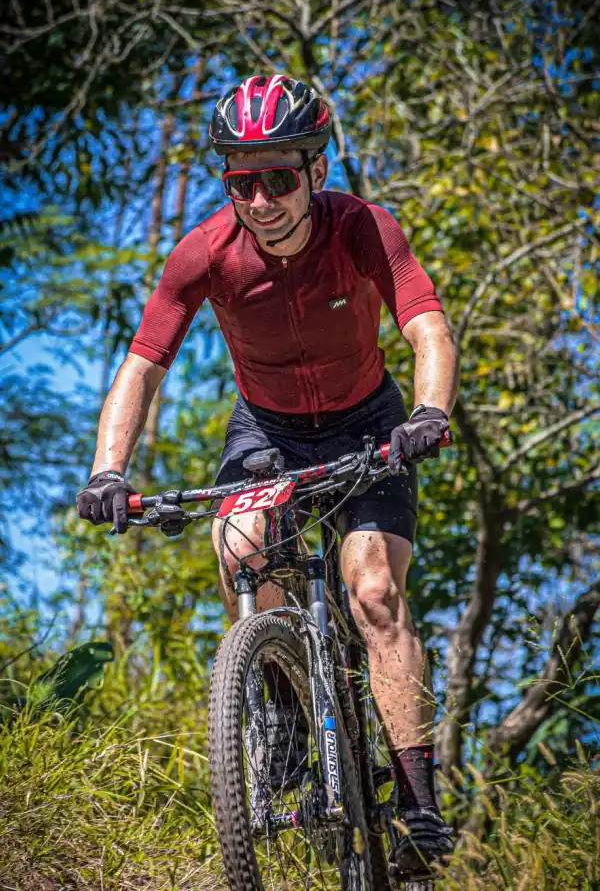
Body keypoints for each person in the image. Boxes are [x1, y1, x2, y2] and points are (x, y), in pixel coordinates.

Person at [77, 74, 458, 874]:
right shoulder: (205, 253)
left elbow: (426, 324)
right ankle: (283, 710)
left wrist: (428, 414)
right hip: (270, 432)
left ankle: (420, 798)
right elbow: (144, 365)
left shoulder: (361, 227)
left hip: (369, 421)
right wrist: (109, 469)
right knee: (240, 542)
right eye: (243, 182)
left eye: (279, 177)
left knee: (375, 592)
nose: (261, 199)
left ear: (316, 172)